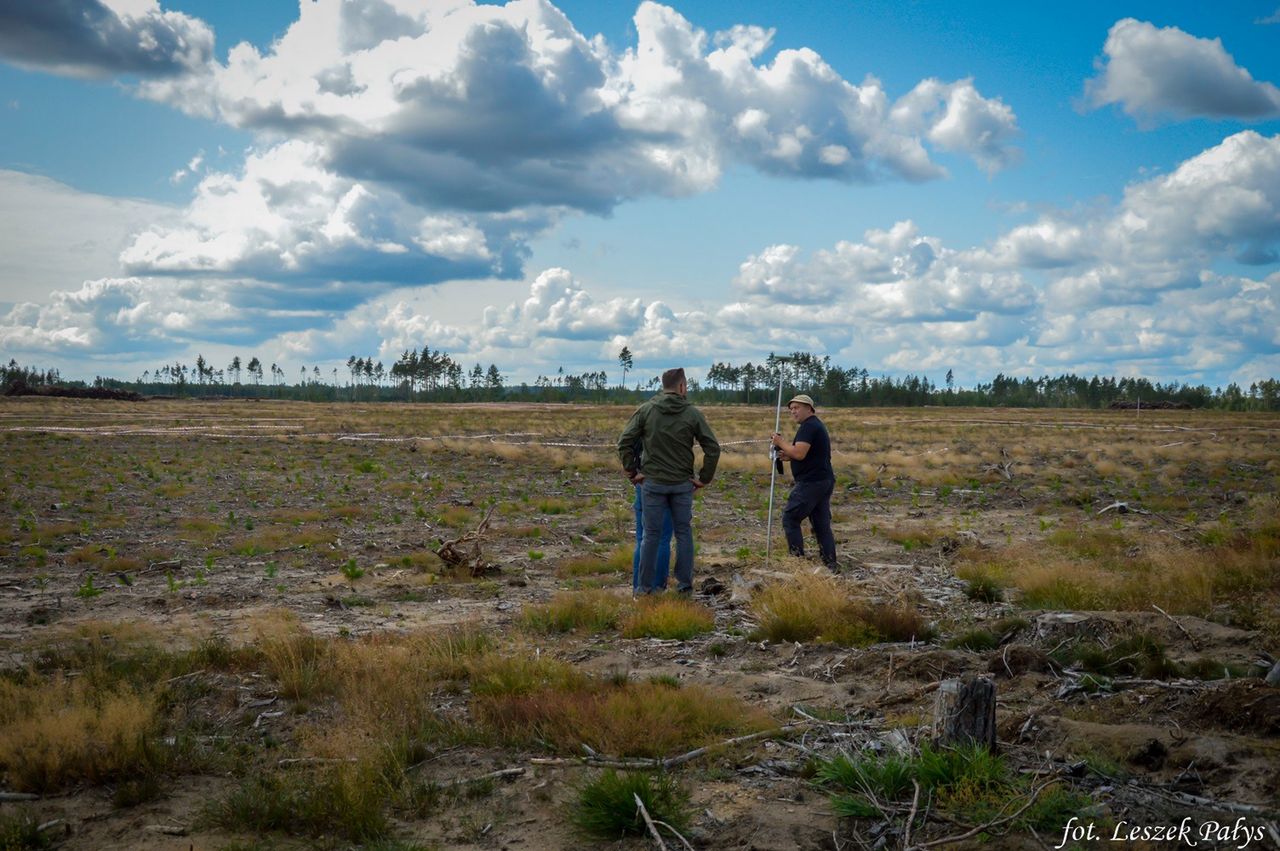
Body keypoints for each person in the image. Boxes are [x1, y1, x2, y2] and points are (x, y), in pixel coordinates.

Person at [618, 368, 720, 595]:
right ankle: (684, 587)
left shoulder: (646, 410)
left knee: (650, 536)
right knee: (683, 533)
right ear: (682, 387)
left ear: (663, 385)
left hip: (652, 483)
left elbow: (624, 442)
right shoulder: (692, 414)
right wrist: (703, 478)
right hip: (682, 484)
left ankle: (644, 590)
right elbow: (712, 447)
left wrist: (632, 471)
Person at [770, 393, 837, 571]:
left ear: (809, 408)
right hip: (823, 480)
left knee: (790, 518)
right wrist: (788, 455)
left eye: (797, 408)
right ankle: (830, 565)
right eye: (791, 409)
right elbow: (804, 455)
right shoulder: (814, 426)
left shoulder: (809, 427)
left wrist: (780, 442)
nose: (793, 412)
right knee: (821, 525)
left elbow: (799, 453)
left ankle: (796, 562)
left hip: (812, 483)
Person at [630, 436, 674, 592]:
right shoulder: (680, 416)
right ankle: (655, 589)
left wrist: (633, 471)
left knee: (643, 538)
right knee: (661, 539)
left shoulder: (643, 415)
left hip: (644, 479)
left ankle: (639, 589)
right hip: (669, 481)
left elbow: (626, 443)